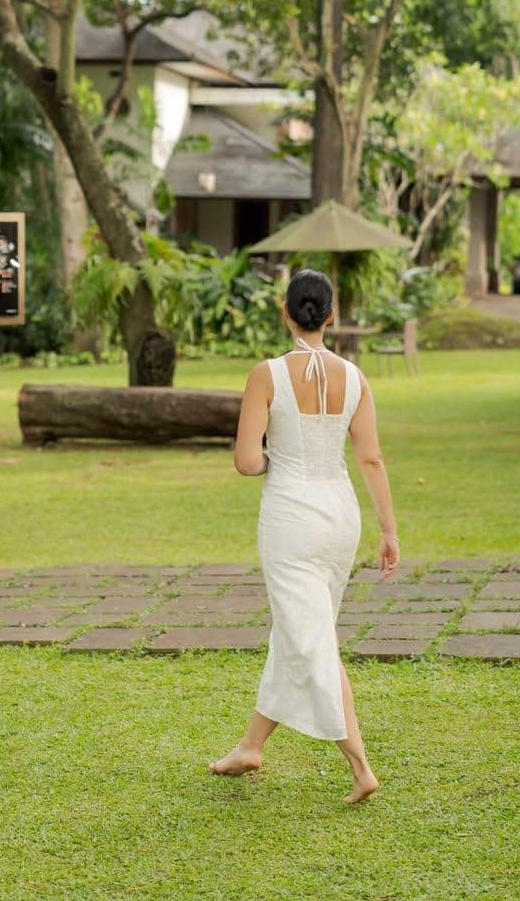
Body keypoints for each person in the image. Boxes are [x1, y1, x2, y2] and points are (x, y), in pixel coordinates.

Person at [209, 268, 400, 804]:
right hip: (341, 518)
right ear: (331, 316)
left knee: (312, 637)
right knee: (301, 629)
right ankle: (250, 747)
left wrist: (278, 459)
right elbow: (371, 457)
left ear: (285, 313)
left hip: (291, 520)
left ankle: (360, 766)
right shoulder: (355, 377)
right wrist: (389, 530)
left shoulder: (266, 374)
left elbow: (247, 461)